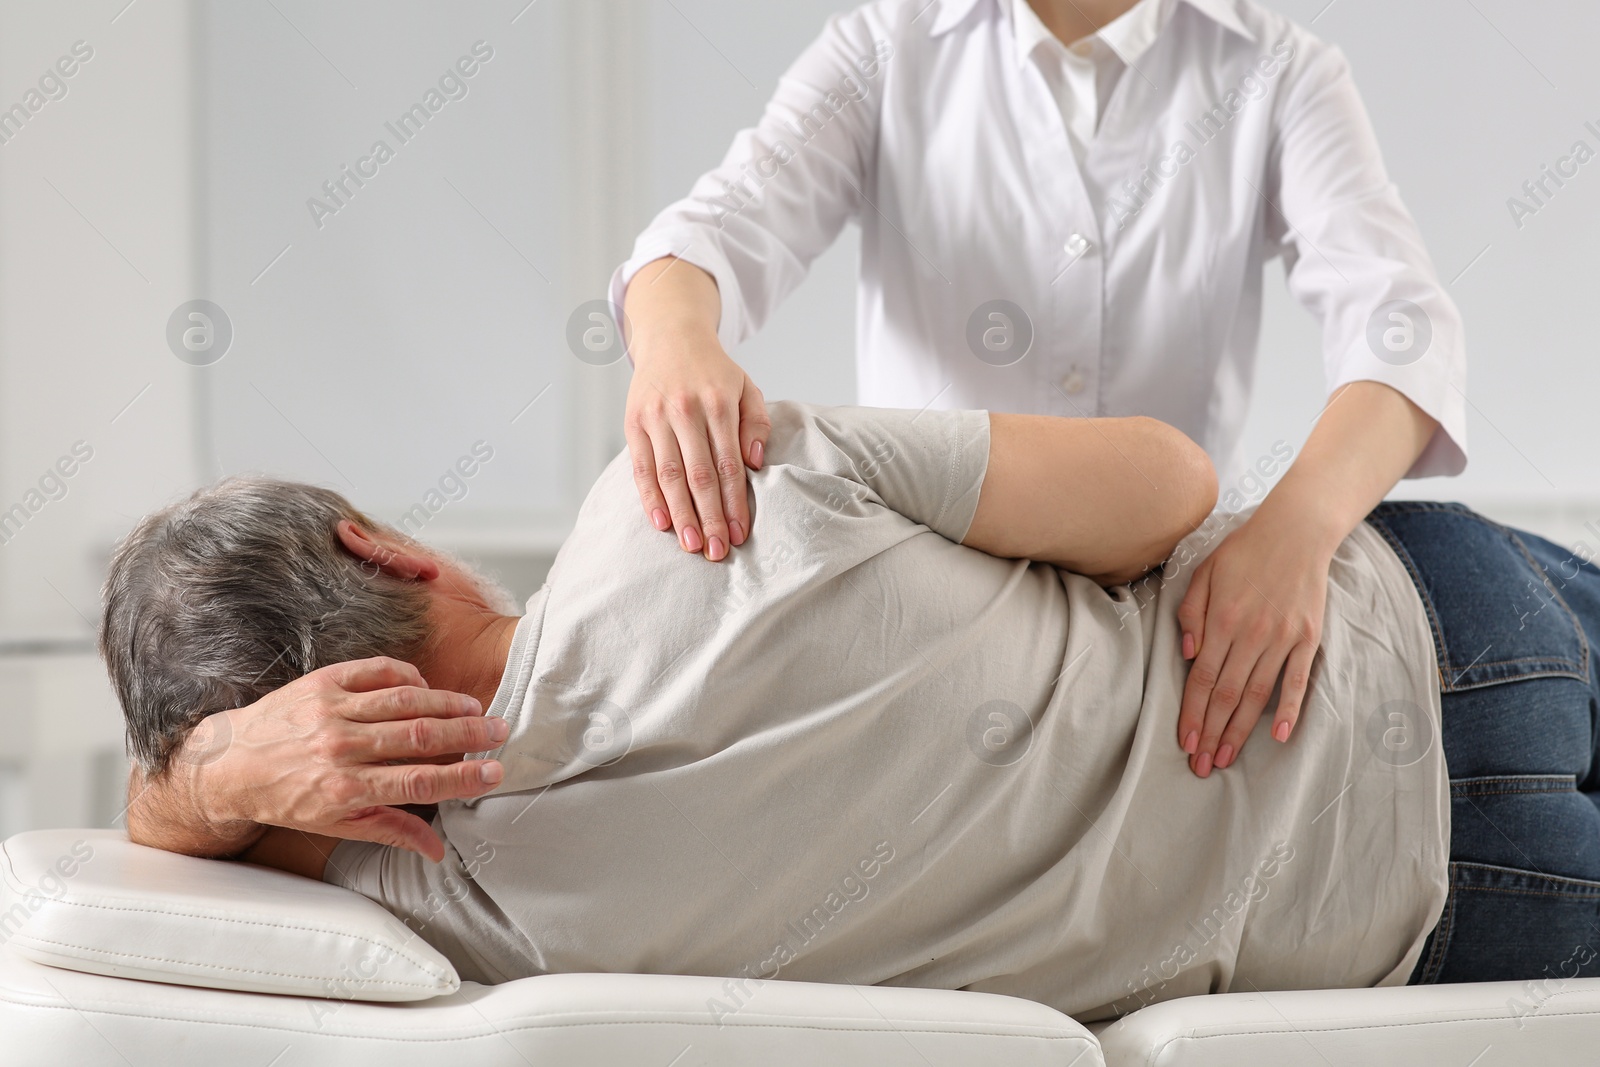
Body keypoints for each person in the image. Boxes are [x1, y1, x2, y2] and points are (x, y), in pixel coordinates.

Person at [112, 404, 1599, 1023]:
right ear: (387, 549)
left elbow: (172, 838)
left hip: (1441, 907)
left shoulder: (465, 913)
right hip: (1427, 625)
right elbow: (1169, 485)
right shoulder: (693, 484)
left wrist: (223, 766)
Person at [611, 0, 1469, 781]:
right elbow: (718, 226)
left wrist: (1296, 529)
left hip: (1175, 639)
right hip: (932, 629)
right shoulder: (889, 42)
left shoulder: (1276, 69)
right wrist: (675, 340)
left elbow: (1401, 326)